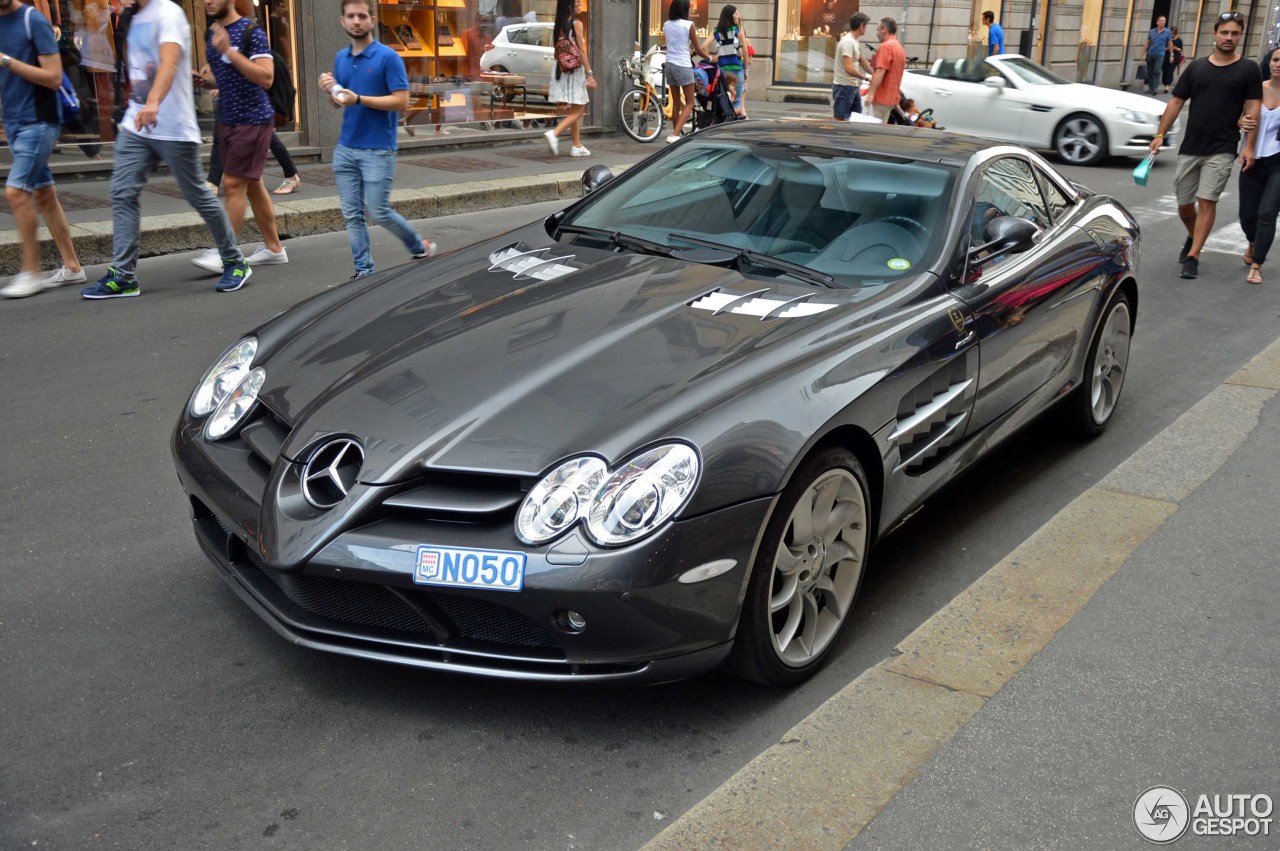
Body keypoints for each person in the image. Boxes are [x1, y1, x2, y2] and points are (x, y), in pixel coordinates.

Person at [79, 0, 250, 298]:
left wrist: (154, 102)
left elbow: (169, 62)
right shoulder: (135, 16)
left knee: (197, 193)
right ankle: (123, 275)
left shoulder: (168, 12)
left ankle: (234, 260)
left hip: (172, 124)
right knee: (122, 191)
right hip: (138, 122)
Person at [318, 0, 436, 280]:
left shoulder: (388, 57)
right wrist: (331, 92)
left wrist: (358, 98)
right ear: (342, 21)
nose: (356, 21)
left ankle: (418, 246)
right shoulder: (341, 58)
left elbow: (401, 101)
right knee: (352, 216)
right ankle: (364, 271)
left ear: (372, 20)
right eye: (350, 16)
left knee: (379, 212)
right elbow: (341, 104)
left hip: (378, 149)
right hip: (346, 148)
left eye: (362, 16)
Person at [1149, 10, 1261, 280]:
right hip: (1191, 146)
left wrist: (1248, 145)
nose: (1229, 37)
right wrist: (1160, 135)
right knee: (1184, 205)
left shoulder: (1249, 69)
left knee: (1207, 201)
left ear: (1240, 36)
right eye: (1224, 32)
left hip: (1222, 147)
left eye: (1234, 33)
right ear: (1215, 33)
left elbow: (1253, 108)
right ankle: (1193, 236)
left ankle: (1193, 256)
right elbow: (1176, 102)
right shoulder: (1197, 67)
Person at [189, 0, 287, 276]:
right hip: (229, 120)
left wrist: (229, 51)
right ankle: (274, 248)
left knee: (233, 184)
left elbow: (266, 77)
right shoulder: (213, 34)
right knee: (252, 183)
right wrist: (205, 81)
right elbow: (228, 78)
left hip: (253, 119)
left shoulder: (250, 32)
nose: (208, 1)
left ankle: (227, 253)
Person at [0, 0, 87, 298]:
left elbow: (53, 77)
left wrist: (6, 61)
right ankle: (73, 267)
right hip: (13, 122)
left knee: (15, 192)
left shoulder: (32, 20)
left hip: (39, 122)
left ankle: (31, 271)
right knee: (43, 194)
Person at [1237, 47, 1280, 285]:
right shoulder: (1256, 90)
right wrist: (1240, 120)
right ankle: (1253, 243)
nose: (1278, 64)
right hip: (1251, 158)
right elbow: (1238, 115)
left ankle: (1257, 264)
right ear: (1269, 62)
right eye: (1275, 59)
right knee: (1247, 215)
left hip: (1277, 161)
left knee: (1267, 213)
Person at [543, 0, 594, 157]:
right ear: (569, 6)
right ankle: (554, 133)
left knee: (575, 108)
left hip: (563, 69)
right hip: (575, 70)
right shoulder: (576, 24)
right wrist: (590, 73)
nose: (580, 4)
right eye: (577, 2)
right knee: (580, 109)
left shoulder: (558, 25)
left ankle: (576, 145)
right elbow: (582, 52)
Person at [661, 0, 710, 143]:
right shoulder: (689, 25)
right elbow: (699, 49)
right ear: (684, 10)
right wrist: (709, 57)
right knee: (689, 103)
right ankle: (675, 134)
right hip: (683, 65)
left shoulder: (666, 25)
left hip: (669, 64)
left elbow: (675, 43)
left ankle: (675, 135)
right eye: (688, 8)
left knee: (676, 103)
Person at [704, 5, 747, 119]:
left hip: (722, 70)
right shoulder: (738, 28)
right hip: (737, 68)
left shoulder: (716, 31)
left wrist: (711, 58)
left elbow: (704, 46)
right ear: (730, 15)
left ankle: (726, 120)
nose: (738, 16)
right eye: (736, 14)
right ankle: (737, 121)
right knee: (737, 100)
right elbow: (746, 51)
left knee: (725, 99)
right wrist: (746, 70)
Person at [864, 16, 904, 123]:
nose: (877, 33)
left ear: (884, 30)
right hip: (891, 99)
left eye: (877, 29)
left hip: (881, 98)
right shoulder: (899, 47)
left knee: (872, 131)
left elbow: (880, 71)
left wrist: (871, 94)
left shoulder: (886, 47)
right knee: (880, 131)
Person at [831, 12, 870, 120]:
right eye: (866, 26)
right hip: (843, 87)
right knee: (839, 120)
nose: (866, 29)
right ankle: (834, 137)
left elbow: (863, 61)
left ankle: (850, 137)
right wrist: (866, 77)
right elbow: (849, 69)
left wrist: (875, 73)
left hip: (852, 86)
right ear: (861, 25)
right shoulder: (848, 42)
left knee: (856, 118)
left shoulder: (855, 41)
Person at [1144, 15, 1171, 97]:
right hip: (1150, 53)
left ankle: (1155, 88)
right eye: (1161, 20)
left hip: (1160, 55)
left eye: (1164, 20)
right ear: (1157, 22)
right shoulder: (1151, 31)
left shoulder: (1167, 32)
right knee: (1150, 71)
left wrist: (1171, 53)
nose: (1163, 22)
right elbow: (1147, 43)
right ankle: (1151, 88)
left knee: (1157, 71)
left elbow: (1170, 43)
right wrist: (1143, 53)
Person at [1163, 25, 1184, 92]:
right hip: (1166, 56)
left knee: (1170, 71)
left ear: (1176, 33)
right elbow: (1163, 48)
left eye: (1174, 33)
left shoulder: (1179, 40)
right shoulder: (1167, 39)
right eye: (1171, 33)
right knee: (1164, 71)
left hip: (1175, 57)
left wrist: (1176, 48)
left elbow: (1181, 49)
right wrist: (1168, 48)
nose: (1172, 35)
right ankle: (1165, 83)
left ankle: (1167, 86)